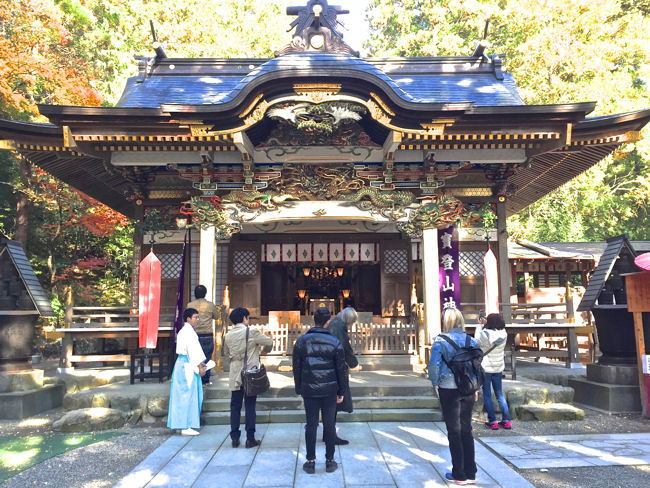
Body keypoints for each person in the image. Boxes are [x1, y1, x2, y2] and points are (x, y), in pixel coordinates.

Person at [293, 306, 347, 474]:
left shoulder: (302, 341)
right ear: (328, 321)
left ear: (313, 319)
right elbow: (341, 370)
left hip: (309, 389)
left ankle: (310, 461)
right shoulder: (334, 342)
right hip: (330, 389)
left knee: (311, 424)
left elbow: (296, 367)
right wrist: (341, 391)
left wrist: (299, 387)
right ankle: (330, 461)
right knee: (329, 425)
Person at [428, 308, 478, 485]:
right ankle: (471, 472)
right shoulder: (471, 340)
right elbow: (475, 365)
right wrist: (475, 385)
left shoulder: (440, 341)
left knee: (454, 431)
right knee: (466, 429)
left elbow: (434, 365)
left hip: (448, 387)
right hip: (468, 387)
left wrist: (434, 382)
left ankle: (459, 473)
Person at [223, 307, 273, 448]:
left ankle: (234, 437)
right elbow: (268, 343)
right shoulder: (251, 331)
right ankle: (250, 438)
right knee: (250, 405)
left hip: (235, 374)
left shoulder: (228, 335)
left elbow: (226, 354)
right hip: (250, 374)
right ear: (245, 318)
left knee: (235, 406)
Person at [167, 308, 206, 436]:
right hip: (187, 365)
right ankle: (186, 425)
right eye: (195, 317)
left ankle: (181, 424)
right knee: (187, 395)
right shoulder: (188, 332)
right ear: (188, 319)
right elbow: (193, 352)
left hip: (183, 364)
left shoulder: (185, 331)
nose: (197, 319)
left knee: (182, 395)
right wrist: (200, 366)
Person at [325, 306, 359, 445]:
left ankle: (328, 433)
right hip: (335, 369)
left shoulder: (334, 324)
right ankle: (330, 435)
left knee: (331, 403)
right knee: (334, 402)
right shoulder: (339, 327)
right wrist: (354, 364)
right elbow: (344, 347)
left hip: (329, 366)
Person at [475, 313, 511, 430]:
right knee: (499, 394)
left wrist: (479, 326)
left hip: (486, 368)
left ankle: (493, 421)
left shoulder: (485, 334)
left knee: (487, 395)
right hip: (498, 368)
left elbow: (477, 342)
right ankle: (506, 420)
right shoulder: (504, 334)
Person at [187, 285, 221, 385]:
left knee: (194, 357)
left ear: (195, 294)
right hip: (207, 335)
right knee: (207, 357)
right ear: (205, 294)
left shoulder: (190, 305)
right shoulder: (210, 305)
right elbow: (216, 316)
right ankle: (205, 381)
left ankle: (196, 379)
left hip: (195, 335)